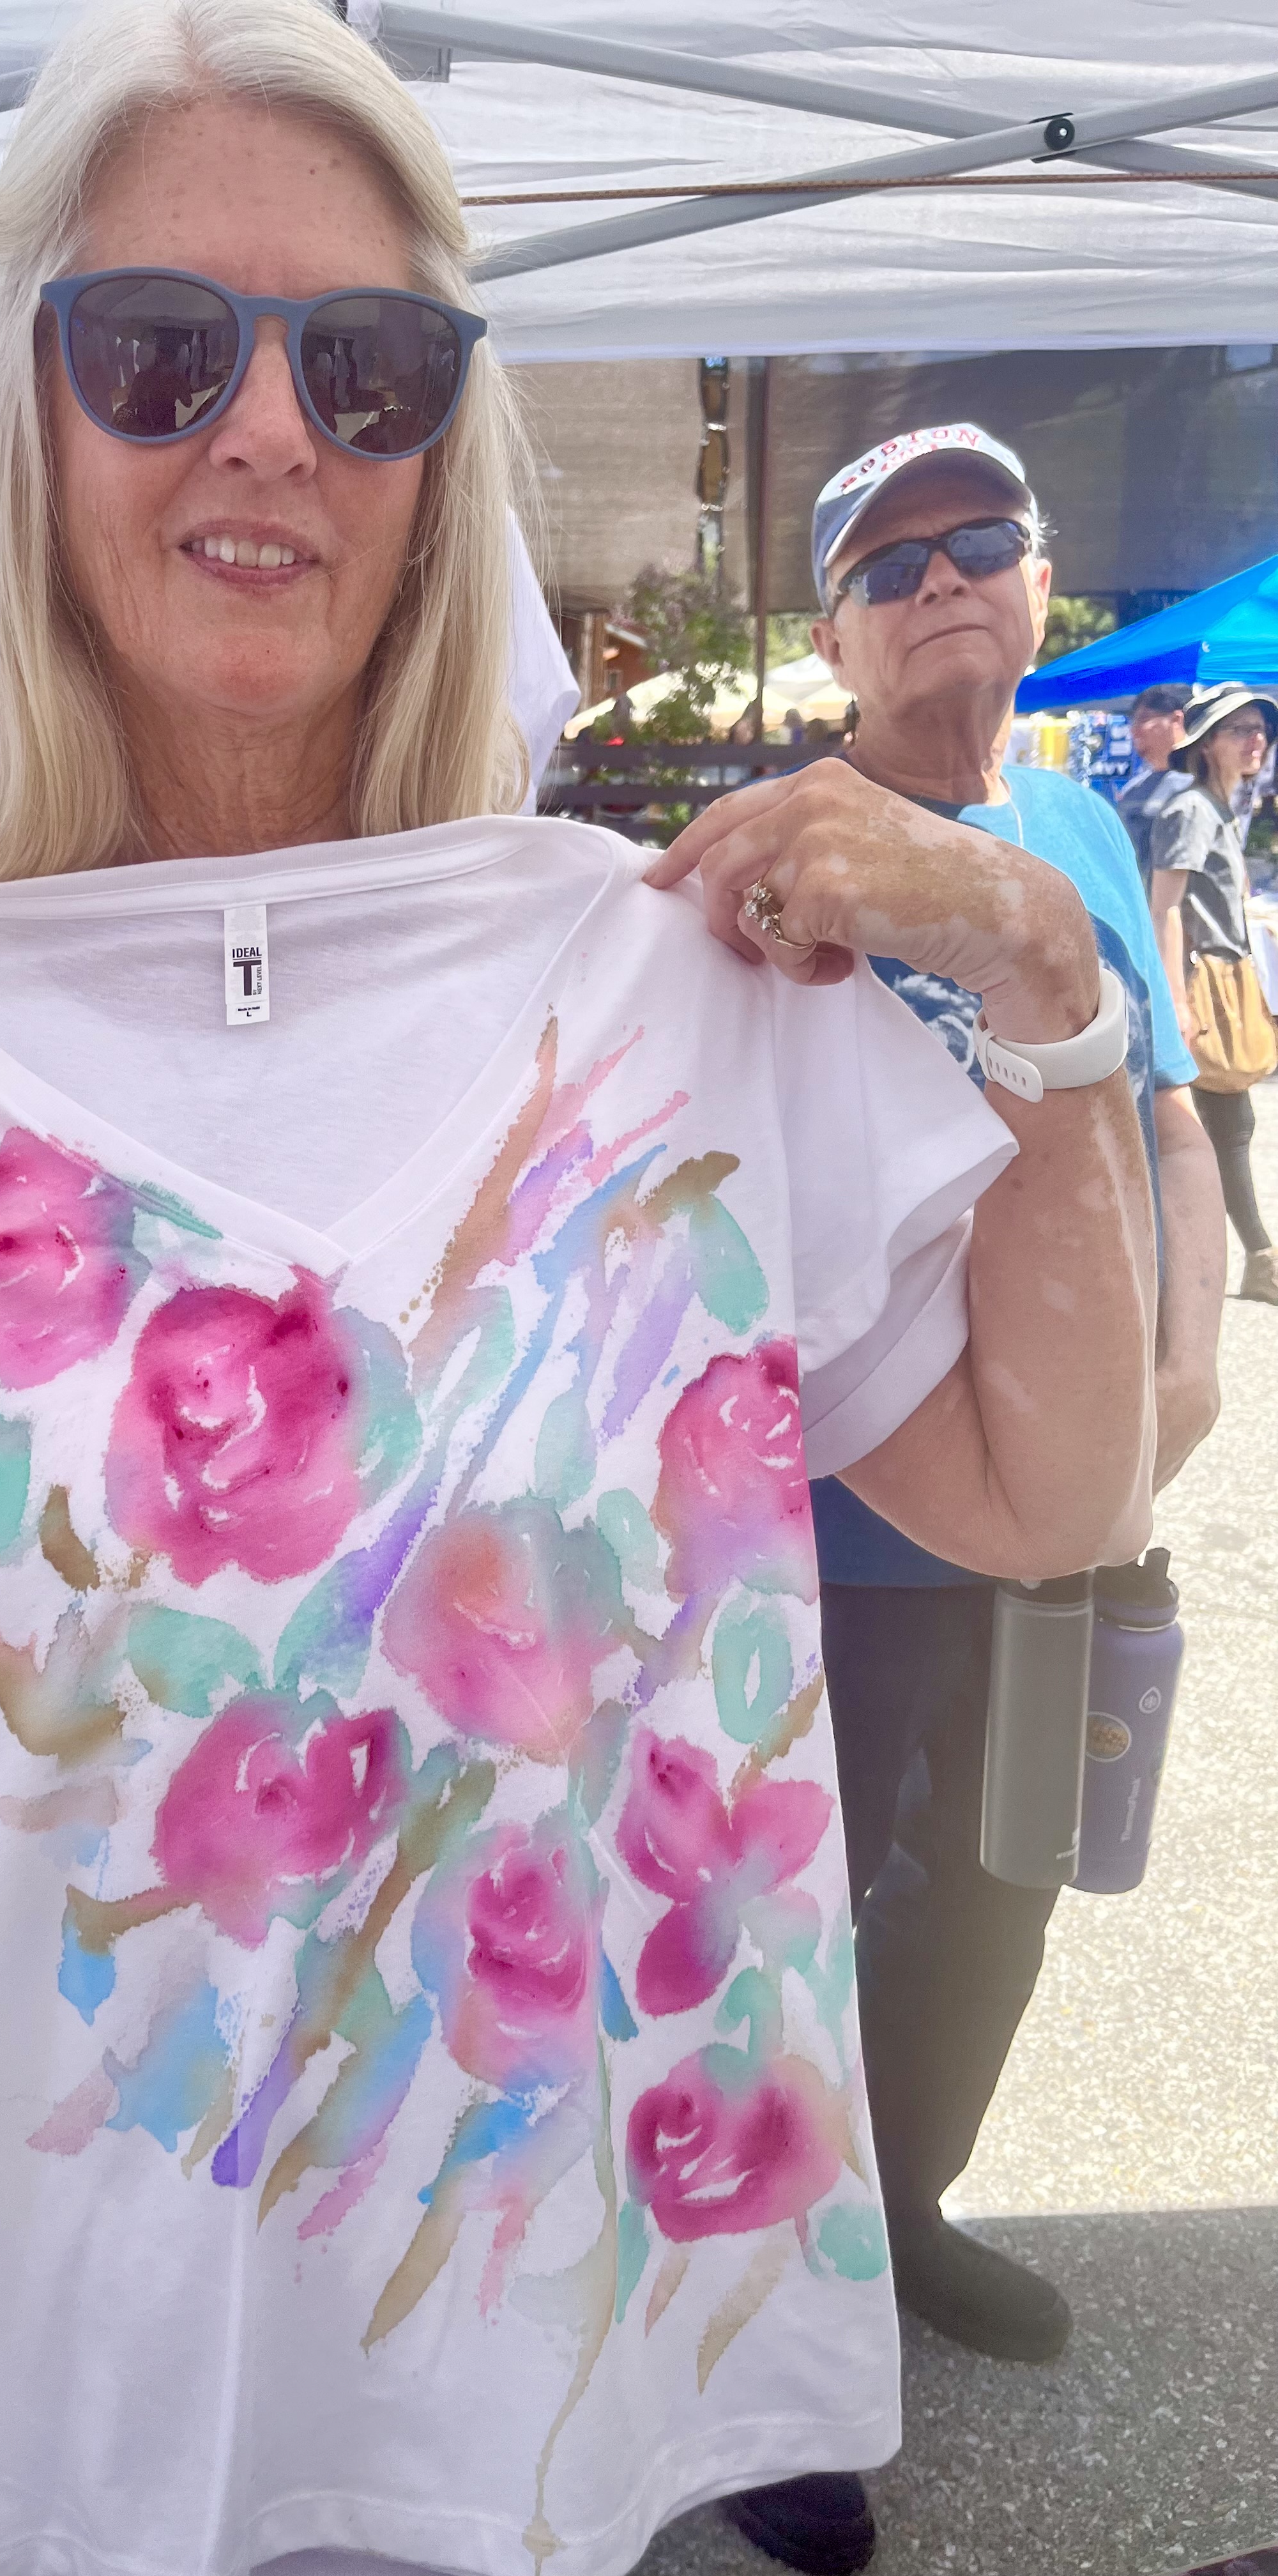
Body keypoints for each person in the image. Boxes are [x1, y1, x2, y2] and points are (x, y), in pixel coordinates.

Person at [0, 17, 1157, 2575]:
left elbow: (1047, 1492)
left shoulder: (679, 985)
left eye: (370, 366)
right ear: (30, 412)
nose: (271, 431)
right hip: (12, 2405)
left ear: (444, 442)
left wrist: (1055, 995)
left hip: (524, 2411)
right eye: (158, 349)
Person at [720, 422, 1226, 2576]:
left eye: (980, 540)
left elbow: (1166, 1120)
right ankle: (765, 2339)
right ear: (833, 637)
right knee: (788, 1929)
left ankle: (905, 2205)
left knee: (1000, 1881)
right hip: (829, 1520)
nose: (942, 579)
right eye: (888, 561)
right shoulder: (786, 856)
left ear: (1039, 584)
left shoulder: (1086, 833)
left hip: (1064, 1489)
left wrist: (1184, 1361)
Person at [1150, 683, 1278, 1305]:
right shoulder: (1192, 810)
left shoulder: (1220, 808)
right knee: (1219, 1124)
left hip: (1224, 977)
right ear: (1205, 744)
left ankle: (1250, 1258)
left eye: (1261, 729)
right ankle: (1259, 1260)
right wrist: (1176, 999)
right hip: (1201, 984)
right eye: (1240, 729)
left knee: (1224, 1122)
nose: (1257, 740)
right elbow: (1165, 908)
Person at [1116, 681, 1192, 882]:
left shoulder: (1197, 786)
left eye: (1144, 720)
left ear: (1176, 720)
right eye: (1133, 722)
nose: (1134, 731)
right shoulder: (1133, 789)